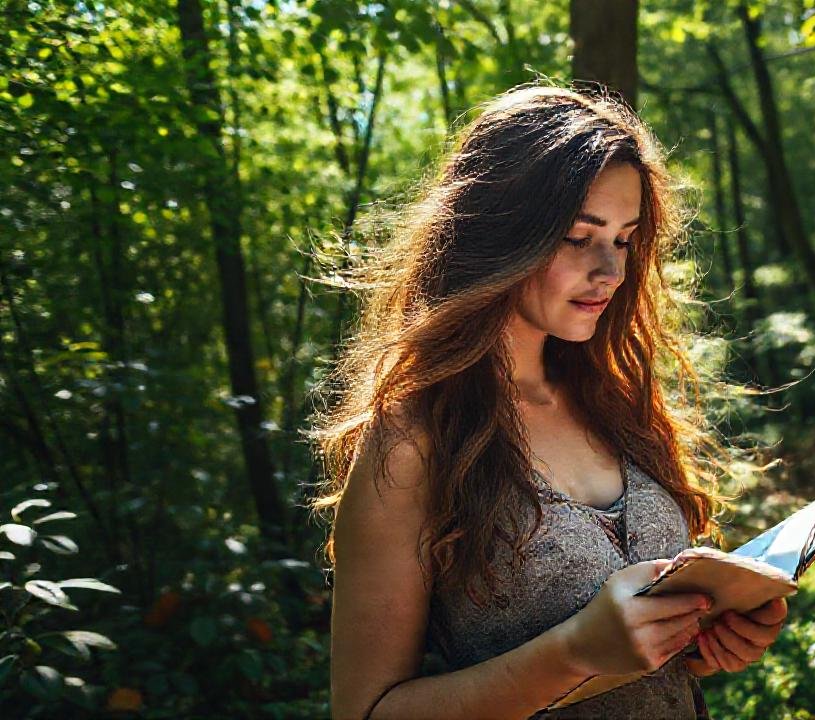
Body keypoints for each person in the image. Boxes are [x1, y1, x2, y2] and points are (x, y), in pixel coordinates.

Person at [308, 84, 787, 720]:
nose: (611, 271)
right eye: (578, 237)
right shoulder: (412, 440)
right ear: (497, 234)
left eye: (624, 240)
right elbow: (366, 712)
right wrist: (575, 652)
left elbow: (644, 659)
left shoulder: (612, 402)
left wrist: (704, 634)